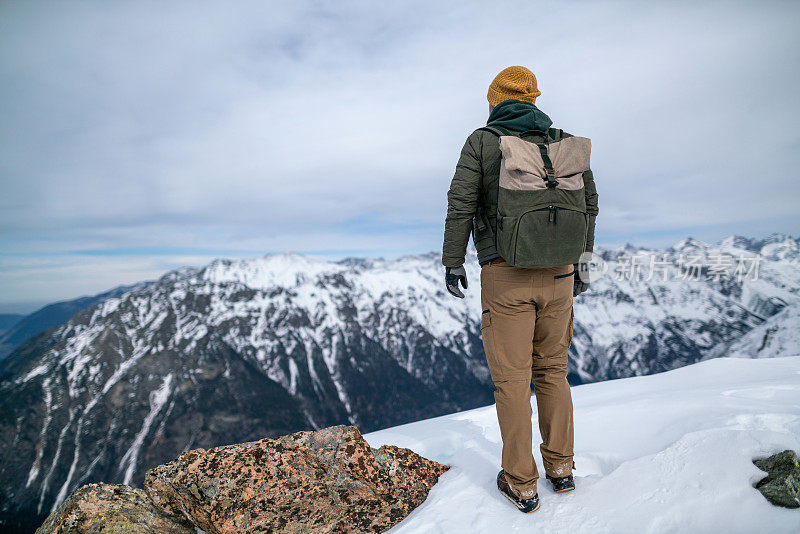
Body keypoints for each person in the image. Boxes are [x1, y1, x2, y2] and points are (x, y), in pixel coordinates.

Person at [441, 66, 598, 513]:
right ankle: (562, 469)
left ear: (495, 101)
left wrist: (453, 261)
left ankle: (521, 482)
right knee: (552, 371)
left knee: (512, 380)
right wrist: (582, 260)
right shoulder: (561, 143)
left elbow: (460, 204)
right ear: (534, 99)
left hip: (505, 274)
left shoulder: (484, 141)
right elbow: (589, 205)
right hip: (562, 274)